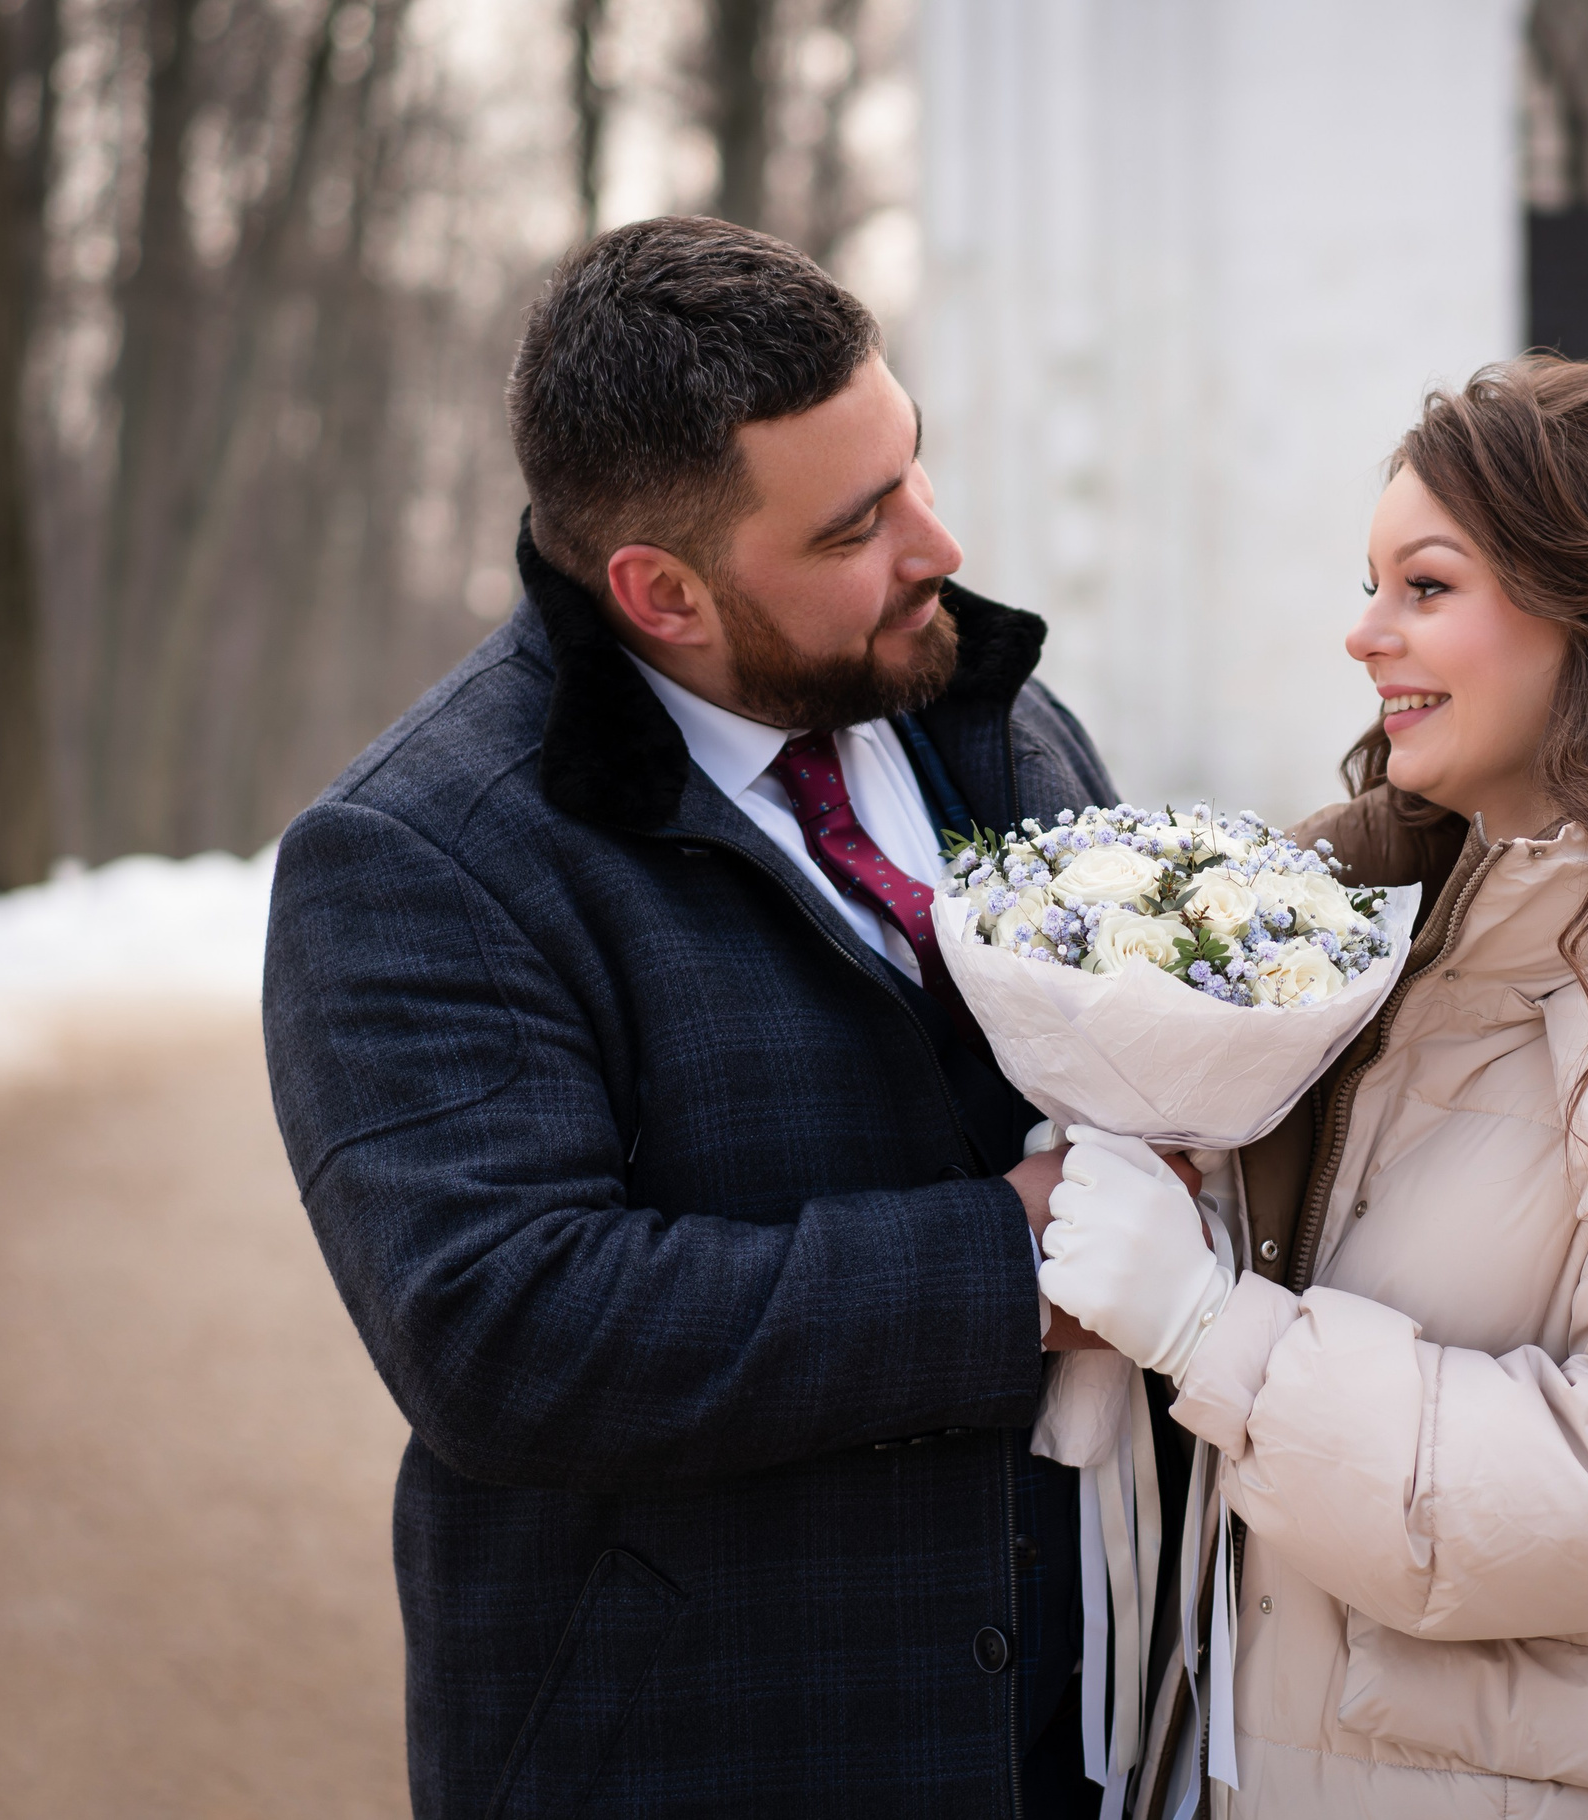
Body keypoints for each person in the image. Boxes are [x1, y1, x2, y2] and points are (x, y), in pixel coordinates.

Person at [262, 216, 1126, 1817]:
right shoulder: (415, 857)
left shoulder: (989, 714)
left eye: (913, 465)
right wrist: (1008, 1263)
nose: (936, 543)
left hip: (1072, 1738)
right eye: (859, 523)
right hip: (709, 1744)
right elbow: (507, 1335)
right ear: (661, 591)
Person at [1035, 357, 1588, 1817]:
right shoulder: (1384, 943)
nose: (1363, 632)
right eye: (1370, 582)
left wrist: (1211, 1335)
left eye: (1426, 588)